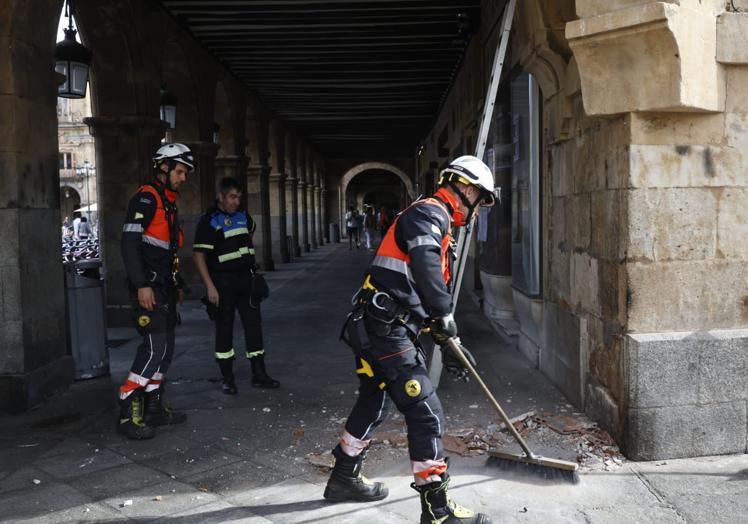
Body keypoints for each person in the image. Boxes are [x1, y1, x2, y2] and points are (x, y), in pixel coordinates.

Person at [324, 156, 496, 524]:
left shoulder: (437, 220)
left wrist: (448, 338)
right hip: (385, 328)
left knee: (375, 400)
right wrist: (444, 314)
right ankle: (437, 511)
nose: (479, 210)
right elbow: (425, 266)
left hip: (379, 324)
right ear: (466, 189)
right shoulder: (430, 214)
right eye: (481, 200)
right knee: (427, 413)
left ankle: (343, 476)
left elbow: (413, 287)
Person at [116, 143, 193, 440]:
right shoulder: (146, 200)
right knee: (153, 349)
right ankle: (127, 409)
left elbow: (165, 251)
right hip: (148, 289)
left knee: (167, 350)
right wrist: (141, 285)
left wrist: (178, 285)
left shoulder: (167, 202)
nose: (183, 178)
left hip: (164, 289)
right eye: (180, 171)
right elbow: (129, 245)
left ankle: (154, 409)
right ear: (164, 168)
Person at [192, 177, 279, 394]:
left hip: (246, 280)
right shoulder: (210, 220)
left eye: (239, 197)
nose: (236, 201)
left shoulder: (243, 216)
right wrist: (210, 287)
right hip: (223, 282)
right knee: (224, 328)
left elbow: (248, 233)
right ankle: (227, 378)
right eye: (232, 197)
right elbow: (198, 255)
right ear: (220, 197)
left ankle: (259, 373)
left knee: (254, 327)